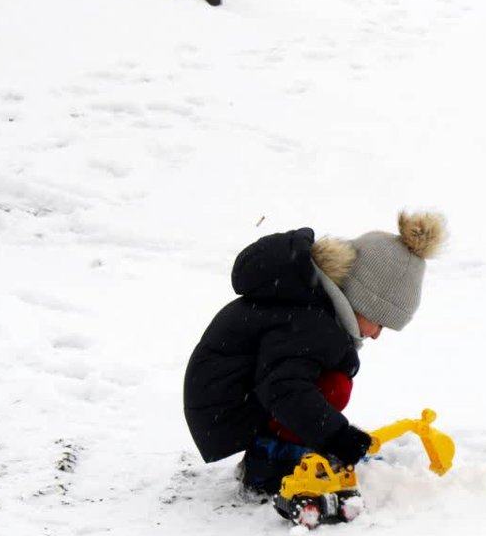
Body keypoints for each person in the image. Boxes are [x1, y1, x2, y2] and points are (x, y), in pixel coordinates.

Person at [183, 211, 446, 495]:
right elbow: (284, 389)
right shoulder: (313, 322)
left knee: (330, 378)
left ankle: (282, 448)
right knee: (334, 386)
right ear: (363, 300)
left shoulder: (310, 305)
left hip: (227, 397)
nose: (377, 334)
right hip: (225, 408)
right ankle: (271, 464)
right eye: (380, 322)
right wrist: (337, 437)